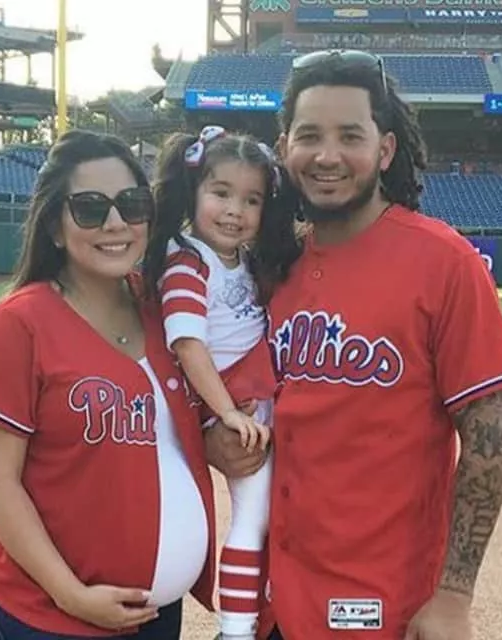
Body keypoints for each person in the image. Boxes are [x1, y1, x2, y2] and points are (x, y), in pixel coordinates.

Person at [204, 50, 502, 640]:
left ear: (385, 149)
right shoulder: (270, 265)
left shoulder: (443, 262)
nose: (327, 156)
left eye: (350, 136)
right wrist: (214, 439)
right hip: (276, 603)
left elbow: (488, 436)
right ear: (284, 149)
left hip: (383, 605)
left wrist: (454, 595)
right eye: (309, 136)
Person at [0, 129, 218, 640]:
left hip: (154, 614)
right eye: (90, 208)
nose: (116, 222)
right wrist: (70, 594)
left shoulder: (163, 311)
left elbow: (173, 439)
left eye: (132, 204)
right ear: (54, 227)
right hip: (47, 616)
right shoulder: (19, 324)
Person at [144, 125, 299, 640]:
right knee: (252, 518)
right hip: (233, 400)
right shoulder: (187, 261)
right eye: (221, 193)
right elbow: (188, 344)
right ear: (194, 192)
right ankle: (236, 628)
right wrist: (226, 412)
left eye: (251, 200)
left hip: (256, 392)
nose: (235, 210)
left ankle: (269, 603)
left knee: (276, 511)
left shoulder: (241, 258)